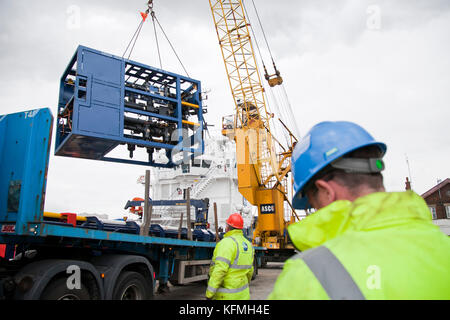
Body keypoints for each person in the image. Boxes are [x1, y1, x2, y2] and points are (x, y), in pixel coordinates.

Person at [269, 121, 450, 300]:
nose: (314, 211)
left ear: (326, 191)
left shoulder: (308, 274)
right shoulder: (443, 248)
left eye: (311, 204)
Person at [206, 213, 254, 300]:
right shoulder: (248, 244)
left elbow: (220, 271)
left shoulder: (226, 243)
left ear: (228, 227)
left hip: (226, 296)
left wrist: (209, 293)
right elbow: (250, 271)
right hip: (243, 295)